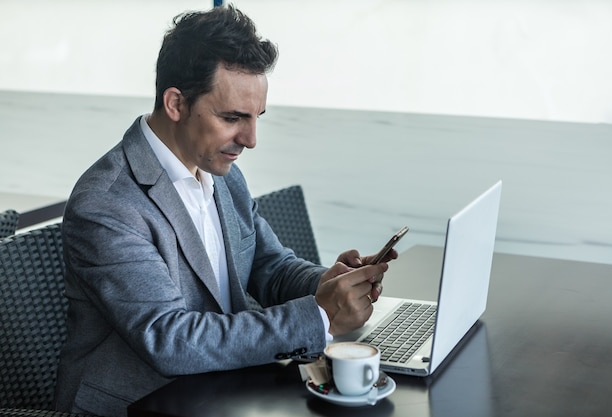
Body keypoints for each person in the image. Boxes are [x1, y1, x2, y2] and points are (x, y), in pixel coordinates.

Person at [54, 5, 395, 416]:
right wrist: (320, 315)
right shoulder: (107, 204)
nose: (250, 140)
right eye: (233, 118)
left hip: (224, 389)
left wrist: (332, 282)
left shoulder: (221, 172)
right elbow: (170, 339)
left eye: (256, 118)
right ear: (176, 103)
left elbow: (270, 266)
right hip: (140, 404)